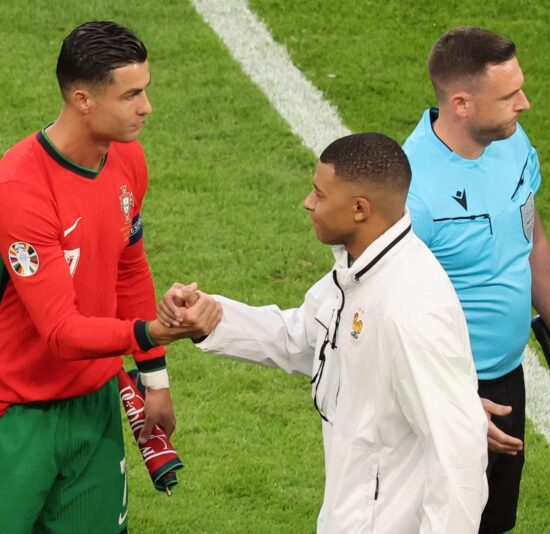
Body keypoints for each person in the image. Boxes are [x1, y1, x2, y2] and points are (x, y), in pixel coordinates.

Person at [0, 21, 220, 534]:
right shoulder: (18, 192)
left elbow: (130, 269)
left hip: (94, 409)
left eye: (146, 90)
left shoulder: (128, 160)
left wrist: (154, 378)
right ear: (83, 99)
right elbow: (61, 332)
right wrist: (152, 332)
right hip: (13, 415)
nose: (146, 107)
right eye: (131, 94)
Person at [159, 133, 489, 533]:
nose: (308, 202)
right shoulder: (357, 269)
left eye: (319, 194)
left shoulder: (411, 307)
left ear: (359, 209)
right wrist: (212, 317)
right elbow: (304, 337)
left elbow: (457, 454)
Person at [403, 26, 550, 533]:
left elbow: (531, 240)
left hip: (505, 380)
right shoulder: (411, 192)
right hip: (441, 391)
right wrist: (454, 407)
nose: (524, 104)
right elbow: (386, 320)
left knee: (492, 524)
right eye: (509, 95)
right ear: (461, 104)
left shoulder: (510, 142)